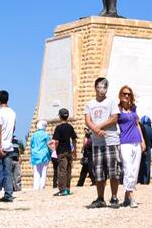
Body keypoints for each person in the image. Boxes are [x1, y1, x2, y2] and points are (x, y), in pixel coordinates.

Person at [84, 76, 123, 208]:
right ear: (95, 88)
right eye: (100, 86)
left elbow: (114, 118)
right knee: (99, 172)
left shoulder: (111, 102)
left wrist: (98, 127)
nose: (102, 89)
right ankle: (100, 198)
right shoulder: (90, 104)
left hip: (111, 140)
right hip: (97, 142)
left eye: (104, 87)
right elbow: (87, 120)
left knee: (113, 171)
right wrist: (95, 129)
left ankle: (114, 197)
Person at [52, 108, 77, 196]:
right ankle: (67, 189)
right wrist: (75, 150)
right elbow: (74, 139)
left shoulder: (58, 128)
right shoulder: (70, 127)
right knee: (68, 170)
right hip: (69, 151)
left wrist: (55, 149)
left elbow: (56, 141)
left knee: (62, 171)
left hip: (61, 152)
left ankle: (62, 190)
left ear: (60, 116)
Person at [30, 121, 52, 191]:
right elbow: (48, 145)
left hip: (35, 155)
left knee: (36, 171)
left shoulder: (34, 135)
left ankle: (36, 187)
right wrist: (50, 154)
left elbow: (32, 145)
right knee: (43, 171)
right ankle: (42, 186)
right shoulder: (46, 134)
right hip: (44, 155)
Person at [139, 114, 152, 185]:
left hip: (140, 148)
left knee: (140, 164)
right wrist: (149, 147)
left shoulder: (141, 127)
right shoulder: (151, 130)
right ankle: (146, 181)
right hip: (148, 149)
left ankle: (140, 180)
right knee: (147, 165)